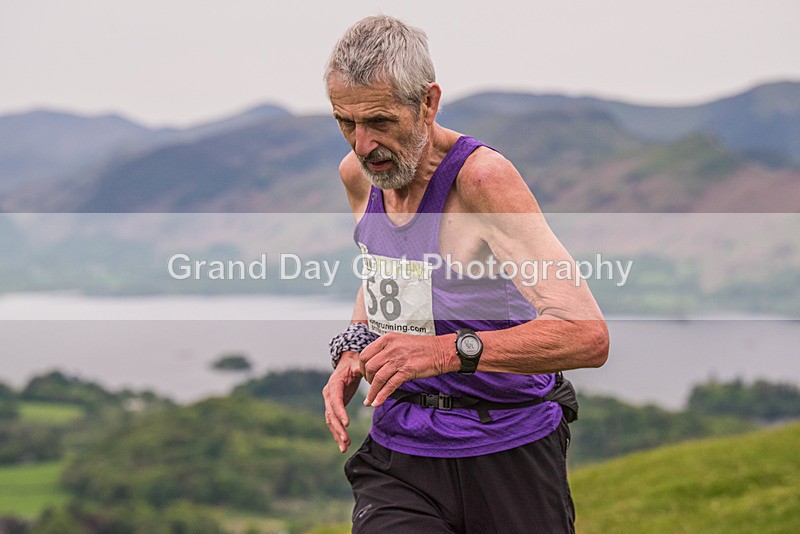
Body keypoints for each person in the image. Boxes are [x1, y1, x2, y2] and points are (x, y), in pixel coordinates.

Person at [322, 15, 609, 534]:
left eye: (380, 121)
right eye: (346, 122)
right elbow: (384, 273)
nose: (362, 145)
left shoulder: (481, 180)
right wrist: (354, 347)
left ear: (428, 103)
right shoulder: (359, 176)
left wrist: (443, 352)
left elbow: (586, 336)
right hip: (401, 449)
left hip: (508, 446)